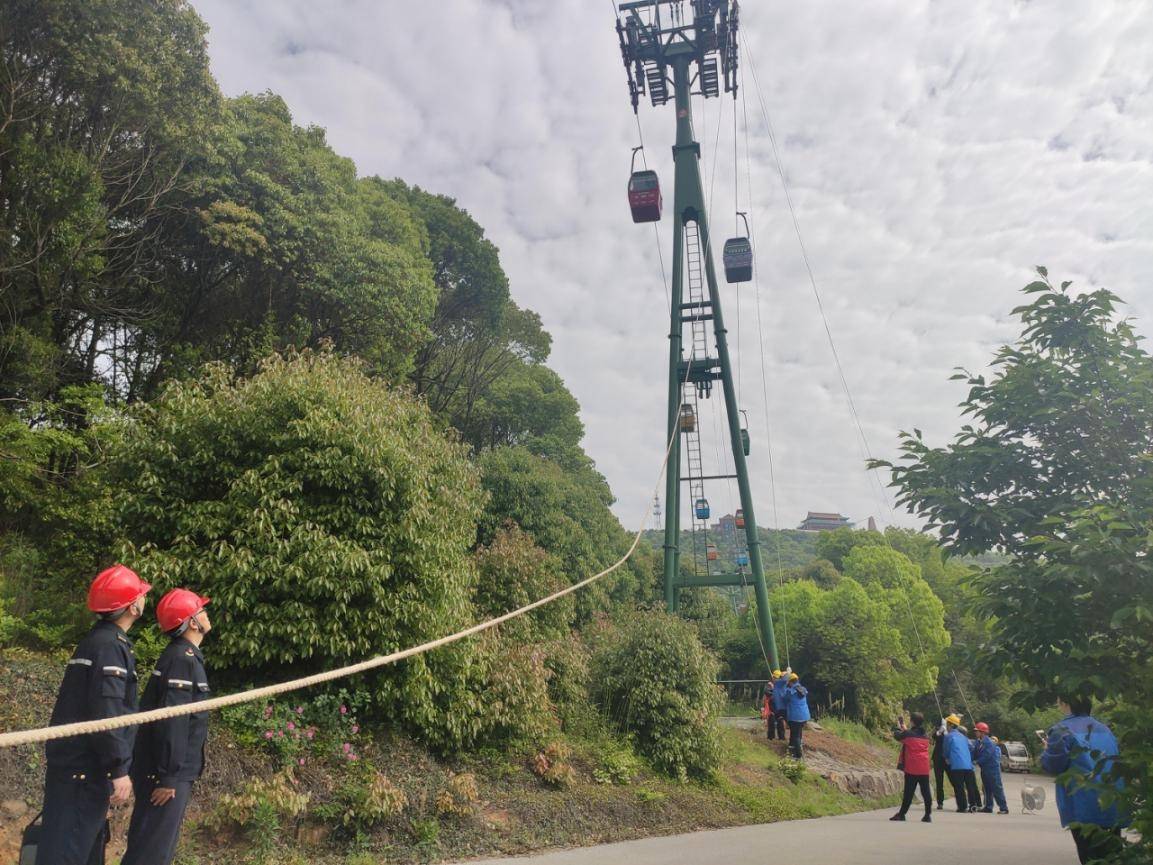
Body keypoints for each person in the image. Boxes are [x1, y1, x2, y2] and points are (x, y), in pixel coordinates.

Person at [37, 564, 152, 865]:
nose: (144, 598)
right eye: (140, 594)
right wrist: (119, 769)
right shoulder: (110, 648)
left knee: (82, 850)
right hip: (83, 772)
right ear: (132, 607)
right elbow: (108, 713)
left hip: (79, 770)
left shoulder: (100, 641)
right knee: (68, 852)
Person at [121, 589, 213, 865]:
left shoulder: (183, 656)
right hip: (164, 774)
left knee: (154, 846)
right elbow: (173, 721)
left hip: (165, 770)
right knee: (151, 850)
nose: (207, 614)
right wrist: (169, 776)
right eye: (202, 610)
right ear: (193, 622)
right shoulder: (183, 660)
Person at [1041, 695, 1127, 865]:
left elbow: (1053, 766)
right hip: (1112, 802)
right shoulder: (1105, 729)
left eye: (1058, 702)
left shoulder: (1061, 730)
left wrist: (1046, 750)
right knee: (1113, 856)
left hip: (1083, 805)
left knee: (1090, 857)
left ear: (1066, 704)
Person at [890, 711, 933, 823]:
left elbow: (898, 736)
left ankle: (902, 814)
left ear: (912, 721)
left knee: (908, 792)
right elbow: (910, 735)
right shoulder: (926, 736)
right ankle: (928, 815)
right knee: (926, 791)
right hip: (924, 767)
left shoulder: (908, 734)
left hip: (912, 767)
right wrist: (905, 729)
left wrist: (898, 727)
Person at [942, 714, 981, 812]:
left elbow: (946, 750)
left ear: (950, 725)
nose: (946, 726)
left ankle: (962, 806)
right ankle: (973, 805)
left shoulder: (948, 736)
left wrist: (947, 758)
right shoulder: (963, 737)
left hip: (957, 765)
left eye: (947, 724)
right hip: (968, 765)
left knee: (959, 787)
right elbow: (971, 747)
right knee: (970, 786)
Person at [972, 722, 1009, 814]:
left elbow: (986, 756)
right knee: (987, 789)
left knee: (997, 788)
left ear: (982, 732)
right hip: (984, 769)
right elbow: (974, 752)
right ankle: (988, 807)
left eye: (977, 731)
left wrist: (976, 761)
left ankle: (1004, 808)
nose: (975, 733)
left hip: (992, 769)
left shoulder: (989, 743)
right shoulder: (978, 742)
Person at [784, 673, 810, 759]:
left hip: (795, 716)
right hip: (804, 715)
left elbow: (784, 698)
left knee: (796, 735)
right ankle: (794, 746)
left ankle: (798, 756)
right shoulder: (803, 689)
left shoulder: (790, 691)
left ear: (790, 682)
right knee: (799, 731)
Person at [931, 720, 948, 811]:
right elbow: (933, 737)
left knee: (954, 780)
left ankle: (961, 801)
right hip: (937, 758)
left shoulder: (950, 732)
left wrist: (946, 732)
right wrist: (940, 731)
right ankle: (940, 802)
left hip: (948, 759)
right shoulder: (938, 731)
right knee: (939, 781)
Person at [770, 668, 789, 741]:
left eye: (773, 677)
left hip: (781, 707)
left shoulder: (779, 683)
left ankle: (782, 737)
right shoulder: (777, 684)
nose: (772, 679)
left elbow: (785, 679)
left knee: (781, 721)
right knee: (779, 721)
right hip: (780, 706)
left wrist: (787, 673)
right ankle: (781, 737)